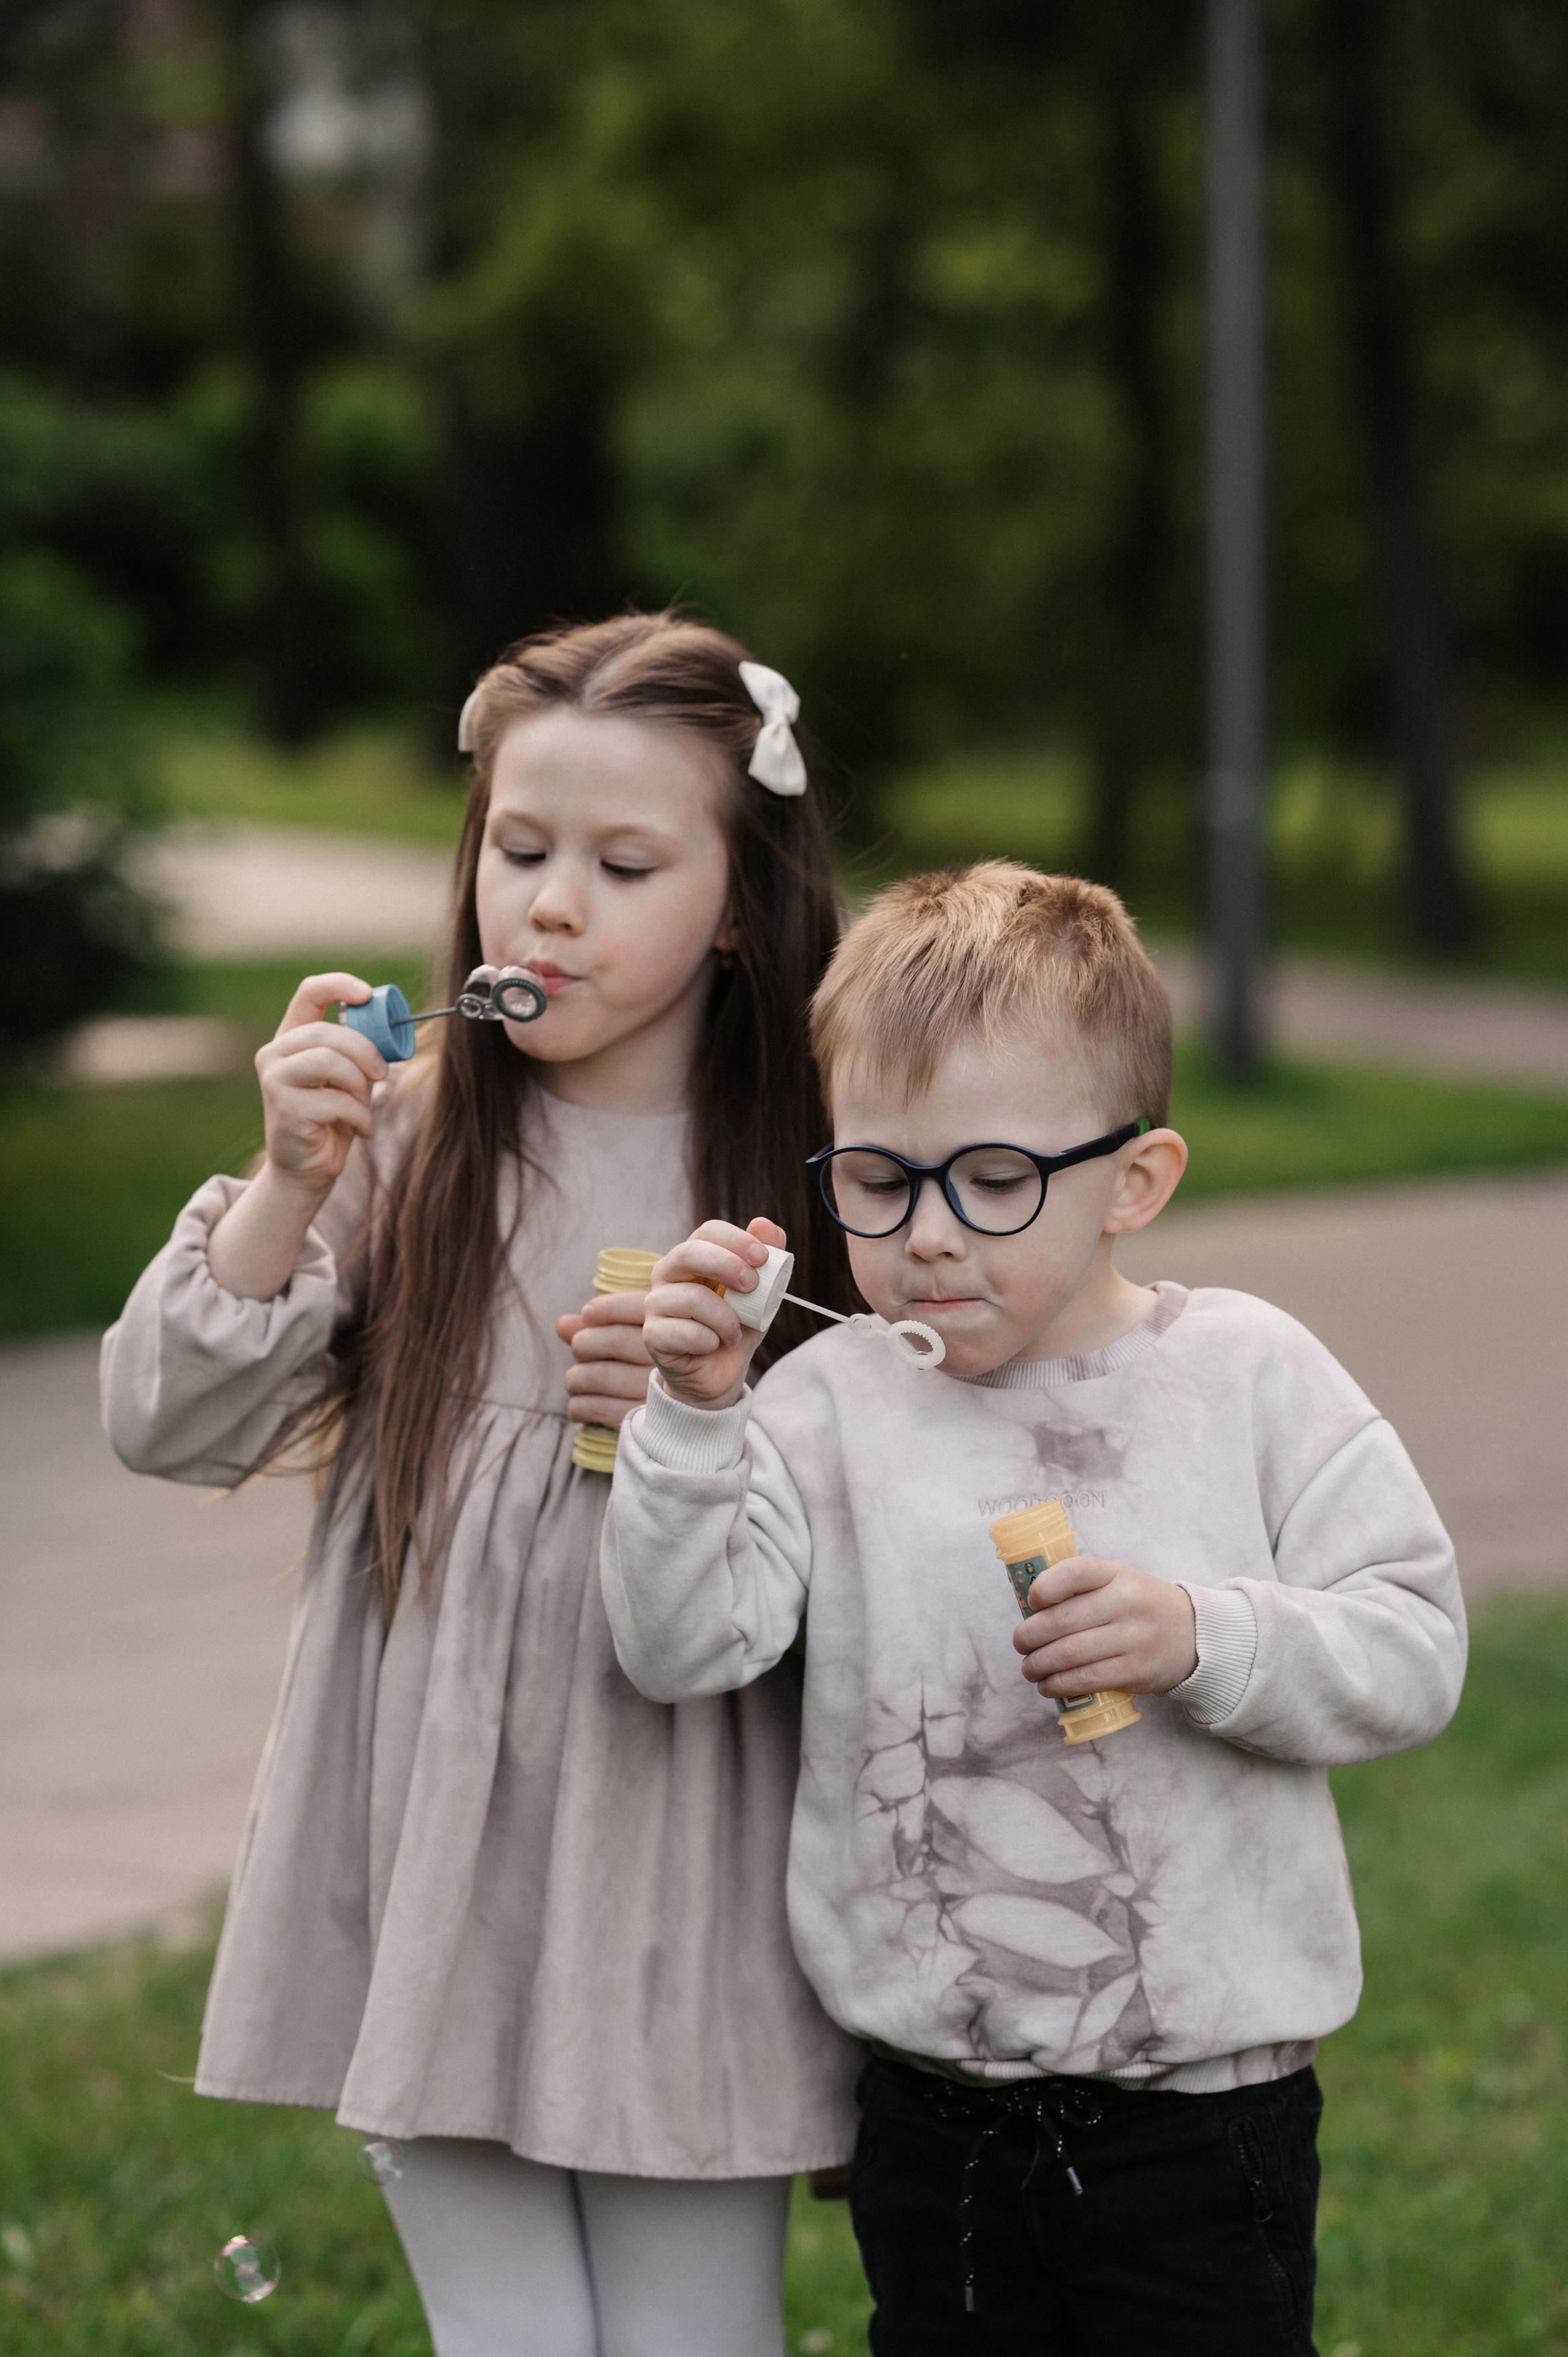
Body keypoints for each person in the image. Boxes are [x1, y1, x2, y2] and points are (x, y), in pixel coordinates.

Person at [100, 614, 862, 2357]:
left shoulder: (817, 1167)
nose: (551, 908)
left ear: (736, 899)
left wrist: (716, 1413)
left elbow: (907, 1474)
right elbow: (163, 1422)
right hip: (436, 1853)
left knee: (695, 2338)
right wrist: (287, 1182)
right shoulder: (411, 1132)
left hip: (687, 1859)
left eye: (623, 865)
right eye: (519, 849)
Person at [601, 860, 1466, 2356]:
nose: (928, 1234)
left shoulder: (1245, 1377)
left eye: (994, 1178)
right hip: (936, 2110)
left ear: (1136, 1179)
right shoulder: (820, 1404)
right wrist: (689, 1418)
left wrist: (1200, 1635)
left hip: (1206, 2109)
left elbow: (1415, 1646)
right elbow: (681, 1645)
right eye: (878, 1179)